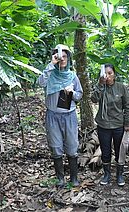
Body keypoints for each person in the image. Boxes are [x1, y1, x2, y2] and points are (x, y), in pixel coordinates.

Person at [37, 44, 83, 187]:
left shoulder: (72, 76)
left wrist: (72, 93)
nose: (62, 59)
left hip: (69, 116)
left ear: (68, 58)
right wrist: (51, 65)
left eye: (64, 56)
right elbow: (40, 83)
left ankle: (74, 178)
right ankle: (60, 178)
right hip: (53, 115)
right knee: (56, 147)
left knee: (72, 146)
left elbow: (79, 95)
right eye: (59, 56)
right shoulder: (49, 74)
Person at [91, 64, 129, 186]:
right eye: (105, 74)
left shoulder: (121, 88)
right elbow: (93, 99)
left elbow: (127, 106)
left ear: (114, 74)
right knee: (105, 150)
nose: (108, 76)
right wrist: (100, 84)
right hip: (103, 125)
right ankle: (107, 174)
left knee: (120, 151)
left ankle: (119, 175)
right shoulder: (100, 87)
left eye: (110, 73)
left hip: (118, 124)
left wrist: (127, 123)